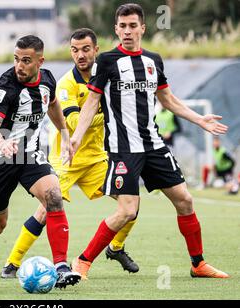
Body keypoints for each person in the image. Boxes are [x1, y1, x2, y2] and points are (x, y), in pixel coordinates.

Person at [69, 3, 229, 279]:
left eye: (133, 26)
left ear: (143, 27)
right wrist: (76, 137)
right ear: (116, 29)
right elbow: (92, 102)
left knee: (185, 201)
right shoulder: (106, 62)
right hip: (123, 150)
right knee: (127, 211)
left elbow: (167, 100)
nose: (127, 31)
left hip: (154, 146)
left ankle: (198, 264)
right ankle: (82, 262)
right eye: (122, 26)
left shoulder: (153, 60)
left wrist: (200, 119)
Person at [0, 28, 139, 280]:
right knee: (46, 210)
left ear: (96, 50)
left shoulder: (106, 78)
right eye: (75, 50)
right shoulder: (65, 83)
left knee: (130, 203)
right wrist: (111, 114)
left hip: (97, 158)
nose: (80, 55)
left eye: (86, 49)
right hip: (66, 159)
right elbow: (73, 122)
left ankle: (115, 248)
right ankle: (12, 262)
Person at [0, 35, 81, 288]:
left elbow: (53, 103)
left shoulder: (47, 79)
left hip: (30, 154)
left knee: (54, 197)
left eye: (25, 60)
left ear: (40, 61)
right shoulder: (6, 87)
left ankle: (61, 267)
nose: (19, 66)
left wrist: (65, 135)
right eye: (16, 59)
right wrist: (1, 142)